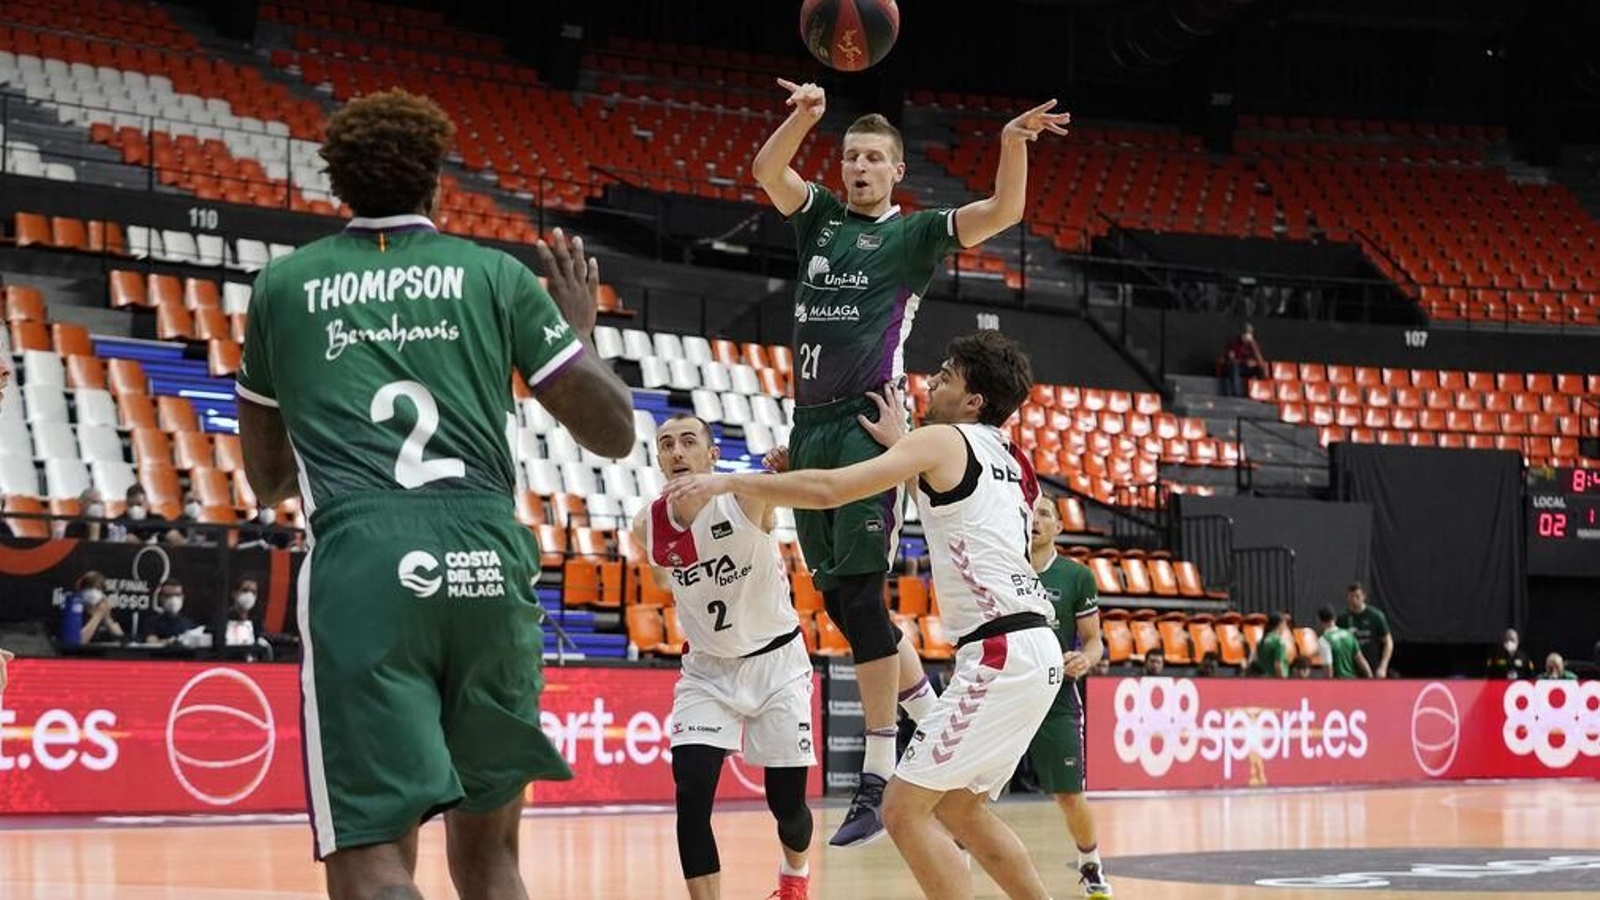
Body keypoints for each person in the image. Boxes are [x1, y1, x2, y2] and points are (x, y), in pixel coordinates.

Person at [235, 89, 635, 900]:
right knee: (493, 863)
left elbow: (269, 477)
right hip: (488, 566)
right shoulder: (496, 276)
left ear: (339, 188)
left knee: (372, 859)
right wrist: (580, 335)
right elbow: (616, 432)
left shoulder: (282, 288)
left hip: (366, 568)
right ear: (436, 185)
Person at [751, 76, 1070, 847]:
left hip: (866, 422)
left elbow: (1005, 213)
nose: (858, 166)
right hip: (809, 422)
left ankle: (877, 770)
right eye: (850, 156)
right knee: (835, 601)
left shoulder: (915, 233)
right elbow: (768, 172)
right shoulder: (820, 219)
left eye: (873, 158)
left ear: (897, 171)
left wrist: (1010, 146)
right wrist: (803, 119)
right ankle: (929, 718)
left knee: (862, 599)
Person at [668, 331, 1061, 900]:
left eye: (947, 375)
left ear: (974, 401)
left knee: (902, 811)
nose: (932, 381)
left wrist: (727, 480)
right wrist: (904, 443)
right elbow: (961, 499)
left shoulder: (943, 440)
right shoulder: (1013, 458)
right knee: (960, 809)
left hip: (1001, 651)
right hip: (1033, 647)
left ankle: (901, 737)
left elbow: (831, 490)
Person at [631, 415, 816, 900]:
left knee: (788, 805)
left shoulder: (745, 497)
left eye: (689, 442)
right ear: (657, 458)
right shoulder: (644, 523)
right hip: (708, 671)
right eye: (666, 444)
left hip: (776, 663)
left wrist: (792, 465)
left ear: (712, 455)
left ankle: (794, 877)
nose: (676, 452)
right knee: (691, 795)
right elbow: (661, 579)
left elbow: (806, 488)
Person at [1022, 495, 1112, 899]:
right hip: (1004, 693)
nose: (1035, 519)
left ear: (1059, 527)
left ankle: (1090, 864)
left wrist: (1086, 658)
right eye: (1030, 512)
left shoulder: (1076, 577)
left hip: (1056, 697)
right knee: (971, 789)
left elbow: (1095, 642)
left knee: (1069, 794)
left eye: (1044, 514)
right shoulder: (1003, 565)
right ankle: (960, 864)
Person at [1338, 583, 1393, 678]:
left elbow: (1388, 642)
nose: (1354, 600)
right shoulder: (1343, 619)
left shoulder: (1375, 616)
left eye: (1357, 596)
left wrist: (1383, 666)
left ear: (1364, 596)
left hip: (1372, 667)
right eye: (1351, 596)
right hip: (1350, 671)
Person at [58, 570, 126, 647]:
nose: (96, 594)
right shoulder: (76, 612)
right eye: (93, 589)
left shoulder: (104, 609)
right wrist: (97, 616)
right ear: (83, 591)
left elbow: (122, 641)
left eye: (100, 590)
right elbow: (78, 643)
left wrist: (107, 619)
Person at [1315, 605, 1371, 679]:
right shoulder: (1349, 635)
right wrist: (1371, 679)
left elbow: (1328, 670)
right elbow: (1361, 660)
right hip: (1353, 682)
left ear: (1319, 620)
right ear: (1334, 618)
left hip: (1338, 684)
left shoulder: (1324, 640)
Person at [139, 580, 197, 646]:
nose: (173, 599)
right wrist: (173, 642)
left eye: (177, 595)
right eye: (168, 596)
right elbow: (151, 641)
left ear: (182, 597)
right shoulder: (151, 623)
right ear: (161, 598)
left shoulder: (190, 624)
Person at [1219, 322, 1267, 397]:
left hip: (1247, 368)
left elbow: (1260, 361)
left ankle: (1262, 392)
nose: (1247, 336)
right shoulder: (1233, 342)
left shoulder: (1253, 344)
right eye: (1245, 333)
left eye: (1249, 333)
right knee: (1234, 365)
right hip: (1235, 367)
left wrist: (1253, 345)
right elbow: (1231, 359)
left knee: (1262, 367)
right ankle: (1237, 394)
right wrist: (1245, 362)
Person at [1251, 612, 1292, 678]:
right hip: (1275, 681)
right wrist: (1283, 682)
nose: (1286, 627)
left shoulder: (1262, 641)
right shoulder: (1278, 641)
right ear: (1279, 625)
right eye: (1285, 624)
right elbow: (1278, 664)